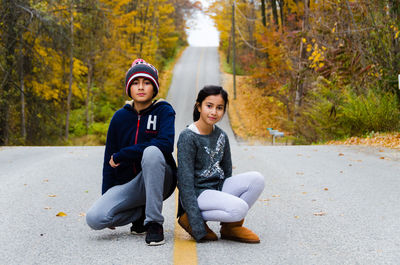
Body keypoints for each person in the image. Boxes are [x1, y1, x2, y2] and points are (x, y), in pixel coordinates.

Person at [86, 59, 177, 246]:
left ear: (154, 87)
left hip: (161, 179)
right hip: (130, 185)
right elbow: (108, 160)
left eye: (147, 82)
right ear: (129, 88)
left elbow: (165, 144)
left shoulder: (163, 111)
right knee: (95, 218)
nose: (141, 87)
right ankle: (140, 213)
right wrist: (107, 195)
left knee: (152, 151)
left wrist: (125, 154)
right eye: (135, 82)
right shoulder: (120, 118)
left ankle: (153, 223)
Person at [176, 85, 265, 243]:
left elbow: (227, 171)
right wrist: (197, 225)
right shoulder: (188, 137)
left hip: (217, 187)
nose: (213, 112)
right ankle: (189, 217)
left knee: (257, 179)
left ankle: (231, 227)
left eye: (219, 108)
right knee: (240, 208)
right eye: (209, 106)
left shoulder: (221, 135)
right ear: (199, 106)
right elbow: (185, 182)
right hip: (197, 192)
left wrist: (224, 198)